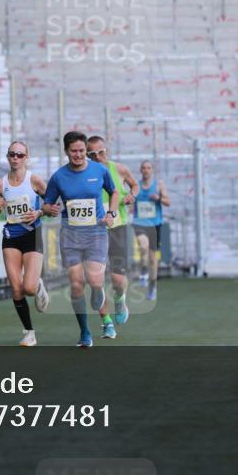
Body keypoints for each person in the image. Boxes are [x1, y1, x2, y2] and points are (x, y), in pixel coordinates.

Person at [41, 131, 119, 347]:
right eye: (74, 151)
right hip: (71, 234)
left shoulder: (99, 170)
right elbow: (46, 204)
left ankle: (98, 293)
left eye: (82, 151)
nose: (78, 155)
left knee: (95, 281)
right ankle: (85, 332)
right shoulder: (58, 177)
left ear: (86, 150)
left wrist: (111, 213)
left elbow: (113, 193)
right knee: (76, 285)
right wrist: (50, 209)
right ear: (66, 151)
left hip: (96, 233)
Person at [0, 140, 51, 347]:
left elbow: (52, 205)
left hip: (32, 233)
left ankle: (38, 286)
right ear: (7, 157)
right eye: (12, 154)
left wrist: (39, 211)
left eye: (20, 155)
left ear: (26, 158)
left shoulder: (35, 181)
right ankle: (29, 332)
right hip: (11, 236)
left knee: (28, 288)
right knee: (16, 289)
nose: (15, 158)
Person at [86, 136, 139, 325]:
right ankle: (106, 322)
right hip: (94, 231)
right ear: (87, 155)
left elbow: (134, 184)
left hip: (117, 228)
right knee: (95, 278)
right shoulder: (84, 173)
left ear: (106, 151)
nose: (98, 157)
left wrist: (132, 195)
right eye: (92, 154)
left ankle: (120, 299)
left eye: (101, 152)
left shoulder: (119, 169)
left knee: (117, 279)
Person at [132, 160, 170, 301]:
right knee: (143, 245)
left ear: (152, 170)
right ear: (140, 170)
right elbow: (129, 201)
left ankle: (153, 287)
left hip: (155, 224)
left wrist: (158, 198)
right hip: (140, 222)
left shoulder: (158, 185)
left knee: (153, 259)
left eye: (149, 168)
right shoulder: (136, 186)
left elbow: (168, 202)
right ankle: (143, 270)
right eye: (144, 168)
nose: (146, 170)